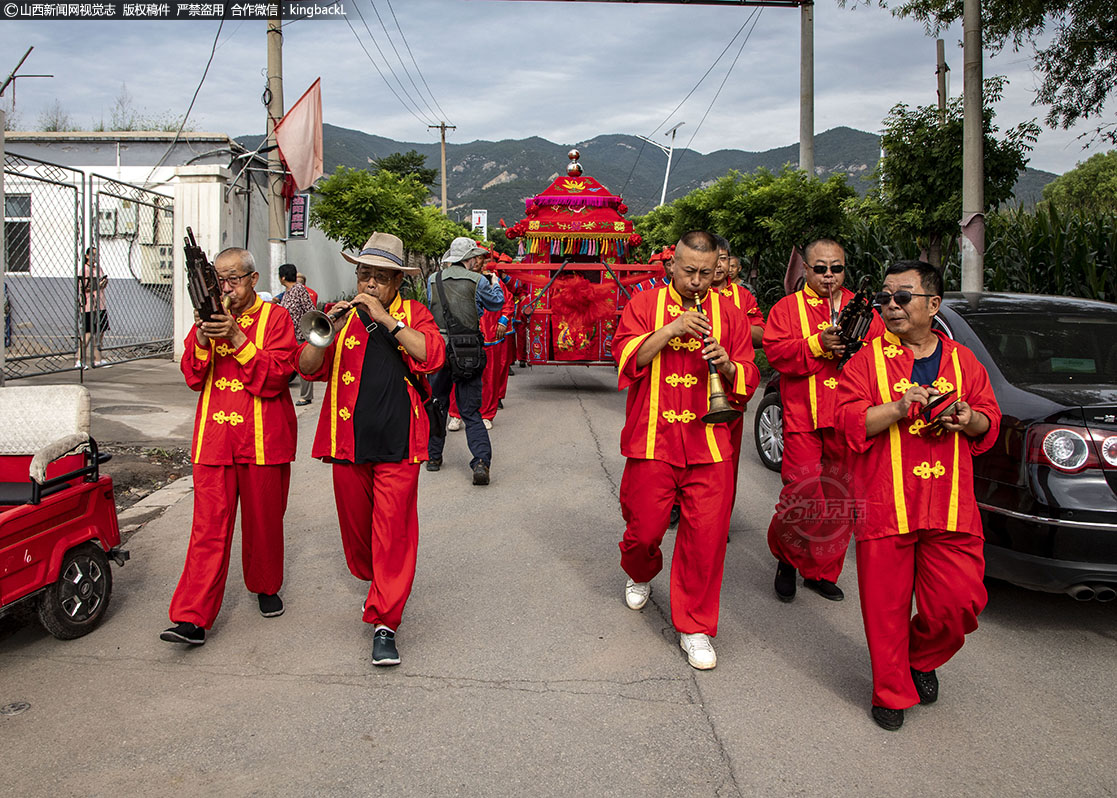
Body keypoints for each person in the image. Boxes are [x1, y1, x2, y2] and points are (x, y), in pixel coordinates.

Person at [836, 260, 1001, 731]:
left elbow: (988, 420)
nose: (890, 306)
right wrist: (896, 406)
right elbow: (850, 421)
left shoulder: (963, 361)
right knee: (884, 610)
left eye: (902, 297)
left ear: (934, 304)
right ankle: (889, 690)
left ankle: (921, 657)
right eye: (884, 298)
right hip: (887, 502)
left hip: (951, 505)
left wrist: (967, 418)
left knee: (959, 603)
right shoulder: (867, 360)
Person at [297, 232, 445, 667]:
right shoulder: (337, 316)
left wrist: (388, 320)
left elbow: (433, 355)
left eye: (381, 278)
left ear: (397, 282)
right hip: (347, 443)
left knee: (393, 534)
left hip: (399, 443)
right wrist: (326, 334)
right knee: (360, 539)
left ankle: (385, 622)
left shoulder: (412, 313)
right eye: (365, 275)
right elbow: (304, 368)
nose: (370, 284)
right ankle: (377, 580)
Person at [613, 231, 759, 670]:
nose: (697, 281)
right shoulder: (643, 305)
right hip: (653, 438)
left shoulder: (730, 315)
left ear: (717, 269)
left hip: (711, 443)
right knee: (644, 531)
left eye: (705, 273)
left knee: (706, 541)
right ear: (671, 266)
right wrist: (670, 330)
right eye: (688, 271)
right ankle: (640, 570)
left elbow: (749, 375)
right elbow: (625, 360)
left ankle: (695, 626)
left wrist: (728, 364)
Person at [161, 247, 298, 646]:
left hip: (263, 438)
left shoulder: (276, 318)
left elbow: (276, 378)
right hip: (215, 439)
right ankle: (192, 616)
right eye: (219, 279)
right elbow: (192, 375)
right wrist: (203, 339)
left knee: (265, 520)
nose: (226, 288)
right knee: (207, 530)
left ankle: (266, 585)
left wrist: (237, 337)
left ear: (254, 280)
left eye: (234, 279)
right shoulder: (208, 318)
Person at [762, 238, 883, 603]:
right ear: (806, 270)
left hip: (849, 418)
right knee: (801, 493)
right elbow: (776, 353)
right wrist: (817, 345)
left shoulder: (861, 307)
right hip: (804, 418)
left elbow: (881, 352)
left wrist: (857, 350)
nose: (829, 276)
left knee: (839, 501)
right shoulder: (786, 308)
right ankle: (787, 557)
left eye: (837, 268)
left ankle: (819, 571)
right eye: (821, 269)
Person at [426, 237, 505, 485]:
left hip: (439, 349)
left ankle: (433, 457)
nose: (479, 262)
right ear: (468, 259)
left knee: (438, 403)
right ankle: (481, 461)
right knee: (470, 411)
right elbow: (497, 303)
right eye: (476, 258)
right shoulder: (479, 280)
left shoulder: (433, 280)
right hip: (468, 351)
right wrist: (495, 284)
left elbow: (433, 307)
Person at [277, 263, 318, 406]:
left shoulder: (299, 289)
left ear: (282, 277)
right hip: (289, 335)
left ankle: (306, 396)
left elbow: (310, 310)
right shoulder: (287, 292)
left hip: (301, 334)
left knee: (303, 366)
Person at [79, 247, 109, 368]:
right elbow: (84, 287)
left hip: (100, 304)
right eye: (92, 255)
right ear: (87, 256)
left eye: (96, 255)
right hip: (89, 305)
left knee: (100, 333)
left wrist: (103, 283)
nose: (95, 258)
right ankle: (79, 360)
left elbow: (101, 285)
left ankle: (98, 359)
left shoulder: (98, 269)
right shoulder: (84, 270)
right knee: (88, 334)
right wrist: (97, 285)